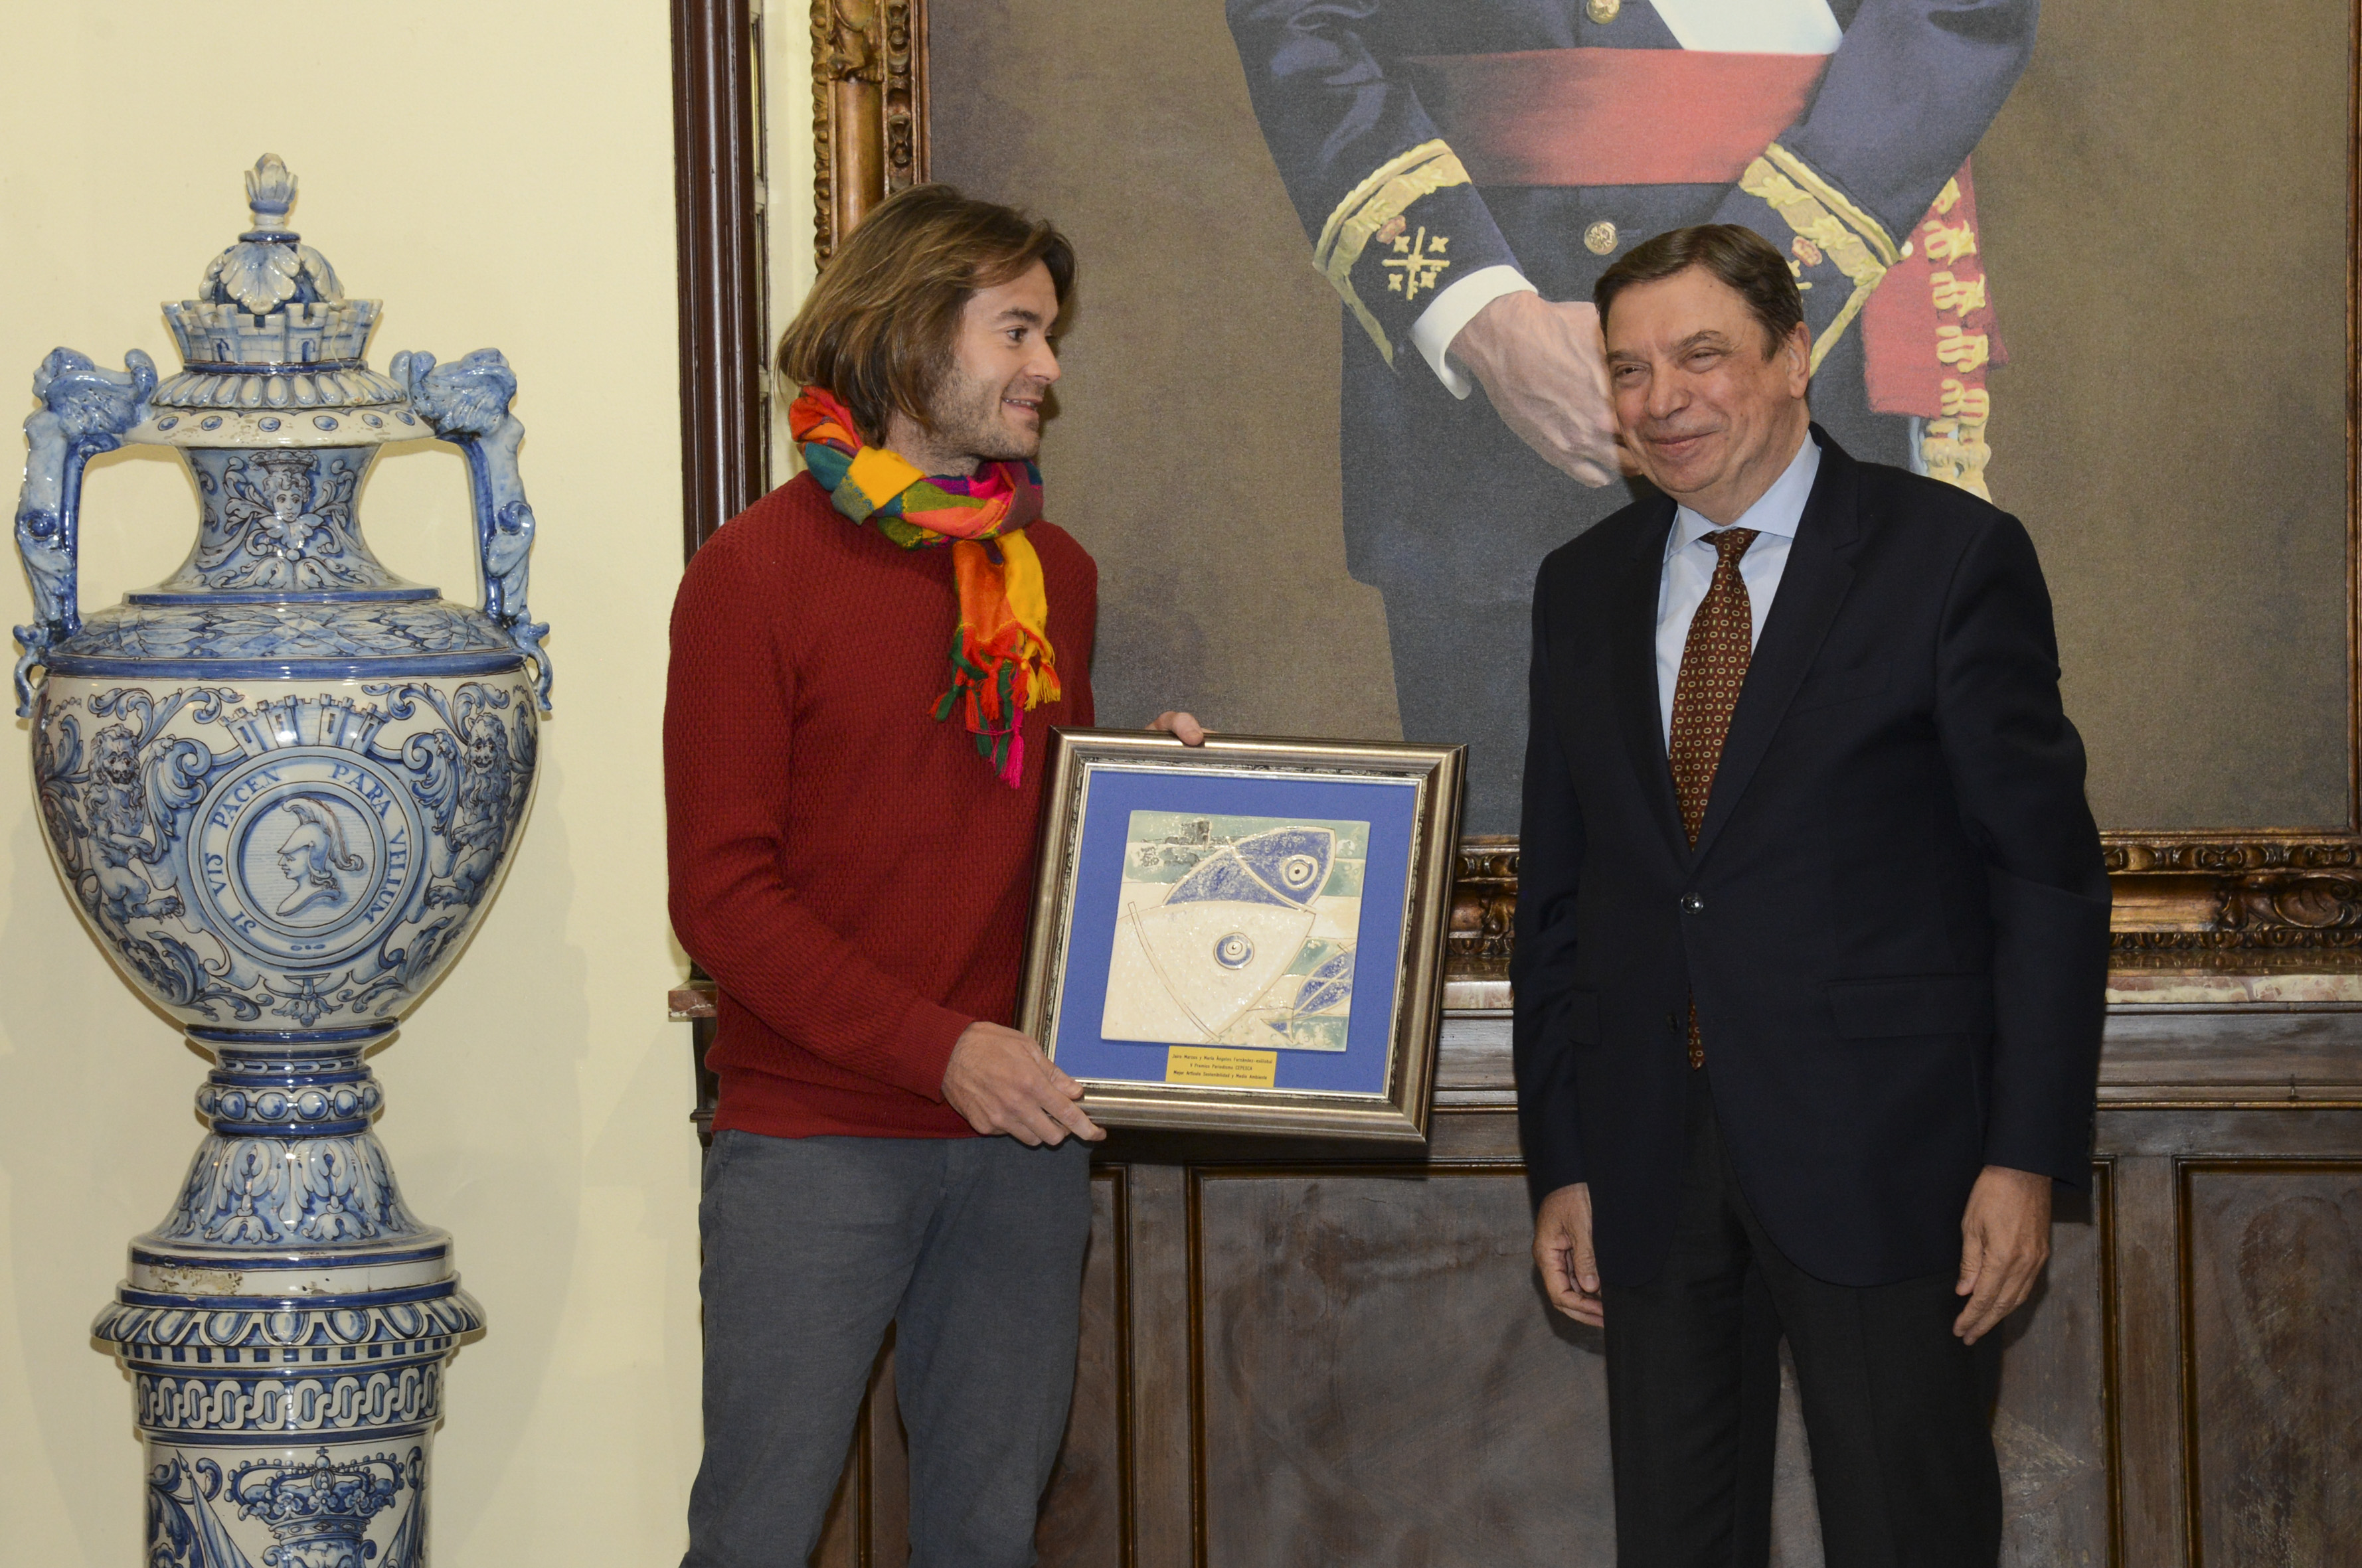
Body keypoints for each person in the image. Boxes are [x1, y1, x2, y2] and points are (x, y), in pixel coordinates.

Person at [1512, 224, 2108, 1566]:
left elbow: (2043, 881)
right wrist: (1564, 1159)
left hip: (1892, 1163)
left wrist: (2022, 1156)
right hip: (1647, 1164)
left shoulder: (1947, 556)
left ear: (1791, 356)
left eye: (1699, 355)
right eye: (1627, 369)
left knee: (1906, 1532)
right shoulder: (1579, 588)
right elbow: (1559, 890)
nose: (1660, 398)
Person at [666, 183, 1203, 1568]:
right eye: (1016, 330)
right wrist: (940, 1048)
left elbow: (1033, 840)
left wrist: (1160, 804)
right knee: (754, 1536)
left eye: (1048, 334)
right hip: (813, 1148)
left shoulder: (1053, 575)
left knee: (987, 1538)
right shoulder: (750, 573)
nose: (1047, 368)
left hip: (1018, 1145)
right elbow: (720, 897)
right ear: (909, 334)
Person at [1226, 0, 2031, 832]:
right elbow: (1299, 20)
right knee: (1517, 872)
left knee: (1823, 863)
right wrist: (1483, 316)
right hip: (1490, 406)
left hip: (1805, 322)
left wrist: (1743, 294)